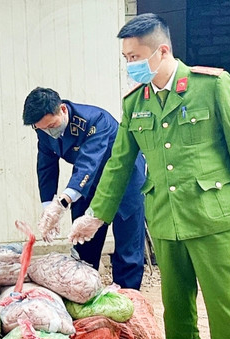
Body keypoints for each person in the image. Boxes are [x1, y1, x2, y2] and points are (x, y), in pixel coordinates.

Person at [68, 13, 230, 339]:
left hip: (211, 215)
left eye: (135, 56)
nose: (130, 64)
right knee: (176, 304)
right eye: (125, 57)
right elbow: (119, 164)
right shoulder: (135, 102)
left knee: (227, 305)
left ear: (162, 51)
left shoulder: (212, 87)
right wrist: (96, 216)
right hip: (166, 218)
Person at [22, 87, 147, 289]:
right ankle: (85, 290)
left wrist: (62, 203)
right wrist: (48, 207)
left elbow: (88, 163)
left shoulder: (95, 121)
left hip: (125, 178)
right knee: (83, 239)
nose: (49, 132)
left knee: (128, 243)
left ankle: (128, 297)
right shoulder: (44, 129)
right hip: (87, 183)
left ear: (62, 109)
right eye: (42, 129)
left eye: (52, 125)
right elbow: (46, 166)